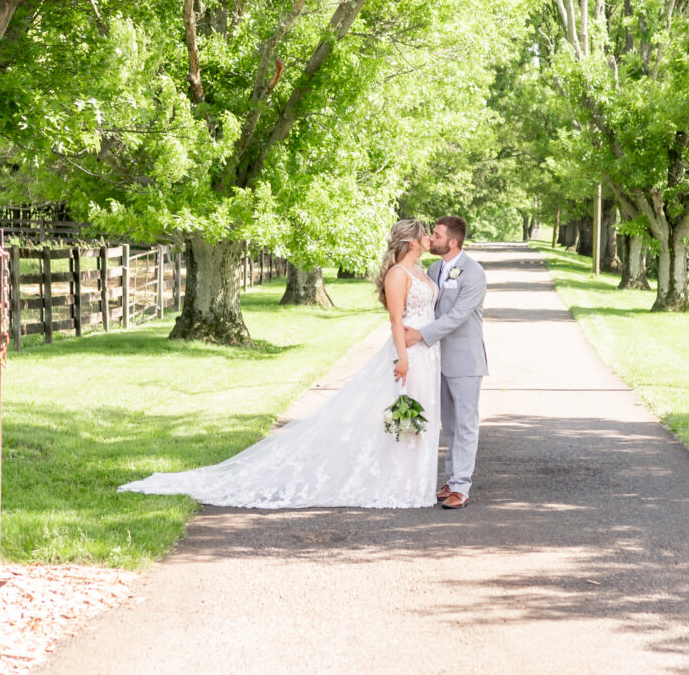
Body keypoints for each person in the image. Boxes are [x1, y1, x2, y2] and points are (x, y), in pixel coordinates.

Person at [115, 220, 440, 508]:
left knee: (417, 418)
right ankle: (399, 484)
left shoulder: (420, 271)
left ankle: (410, 482)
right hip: (407, 355)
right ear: (411, 241)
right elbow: (396, 320)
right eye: (424, 234)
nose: (428, 237)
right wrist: (403, 359)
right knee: (404, 416)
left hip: (427, 354)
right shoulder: (398, 274)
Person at [419, 216, 489, 508]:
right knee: (448, 425)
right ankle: (450, 480)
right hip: (436, 359)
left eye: (436, 235)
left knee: (465, 425)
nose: (431, 239)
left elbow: (458, 315)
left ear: (452, 241)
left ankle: (462, 486)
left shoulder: (474, 273)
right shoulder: (433, 269)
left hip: (465, 359)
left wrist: (420, 336)